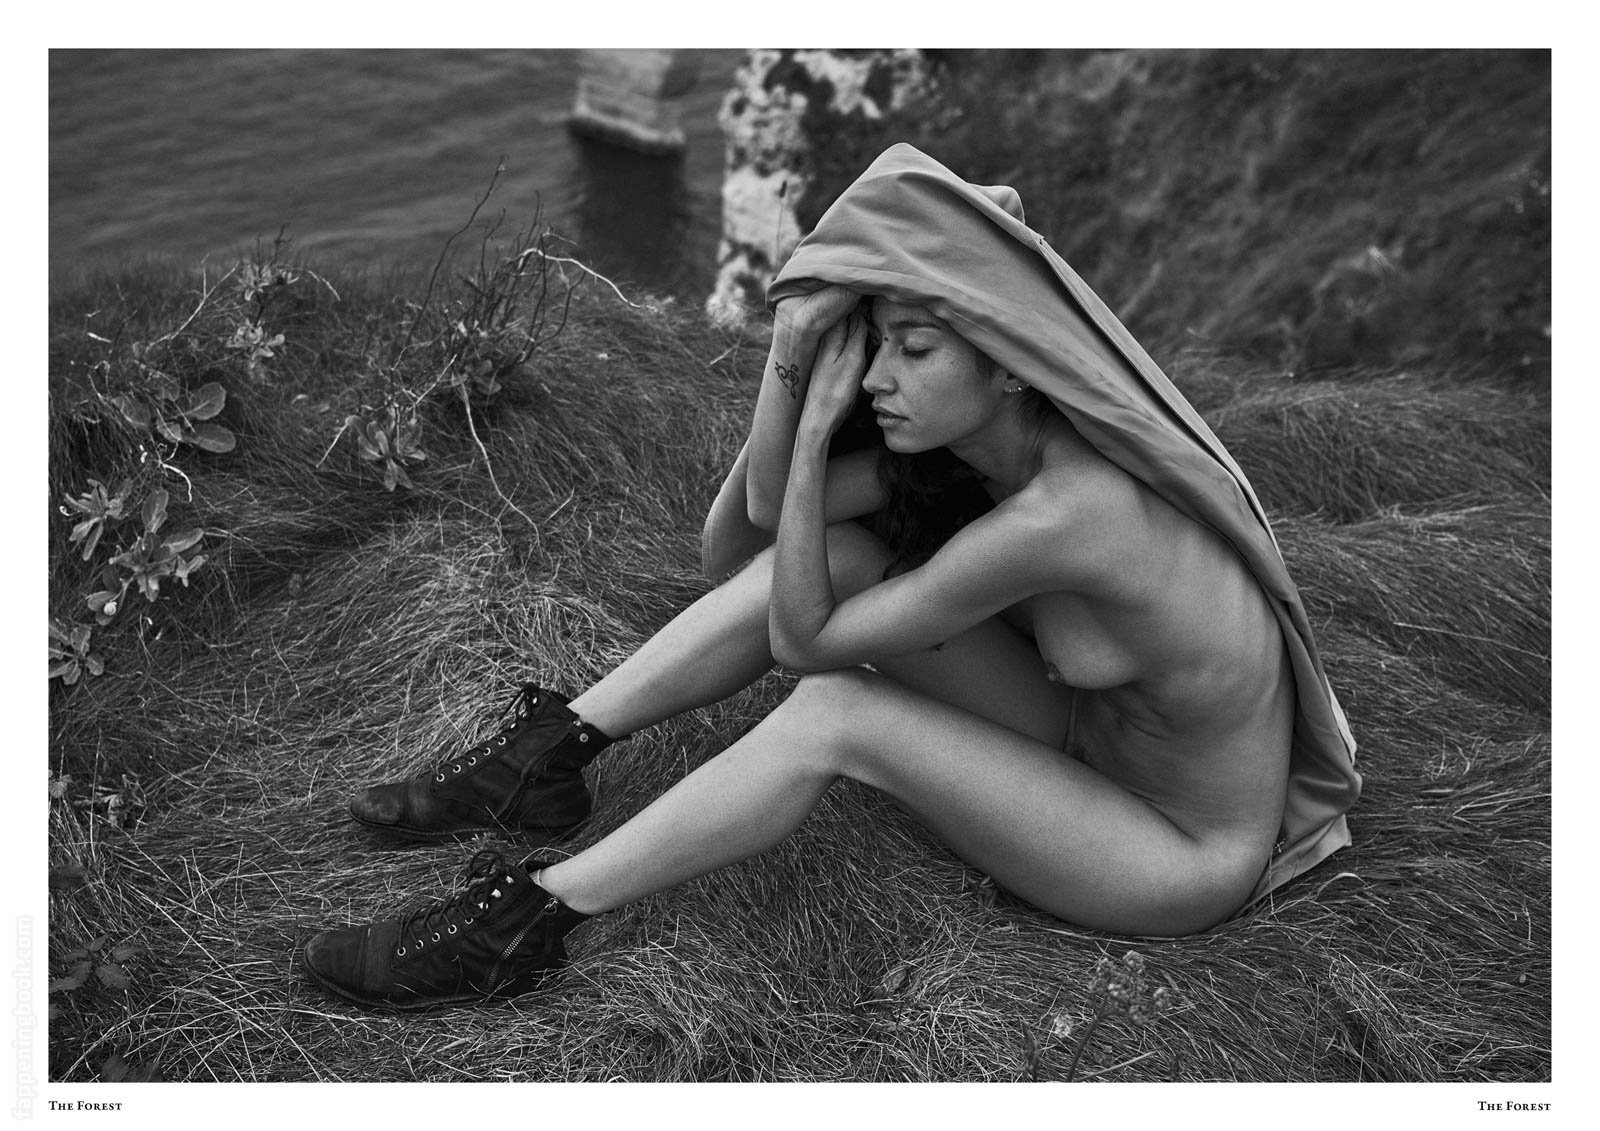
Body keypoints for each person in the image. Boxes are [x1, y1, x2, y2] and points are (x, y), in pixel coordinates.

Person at [301, 144, 1361, 1012]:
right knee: (847, 557)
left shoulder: (1069, 513)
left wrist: (816, 433)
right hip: (1089, 737)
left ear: (1008, 363)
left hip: (1176, 848)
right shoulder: (984, 453)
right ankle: (546, 756)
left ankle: (527, 920)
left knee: (838, 712)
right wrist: (791, 348)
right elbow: (754, 534)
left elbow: (804, 641)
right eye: (876, 346)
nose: (881, 379)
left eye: (914, 351)